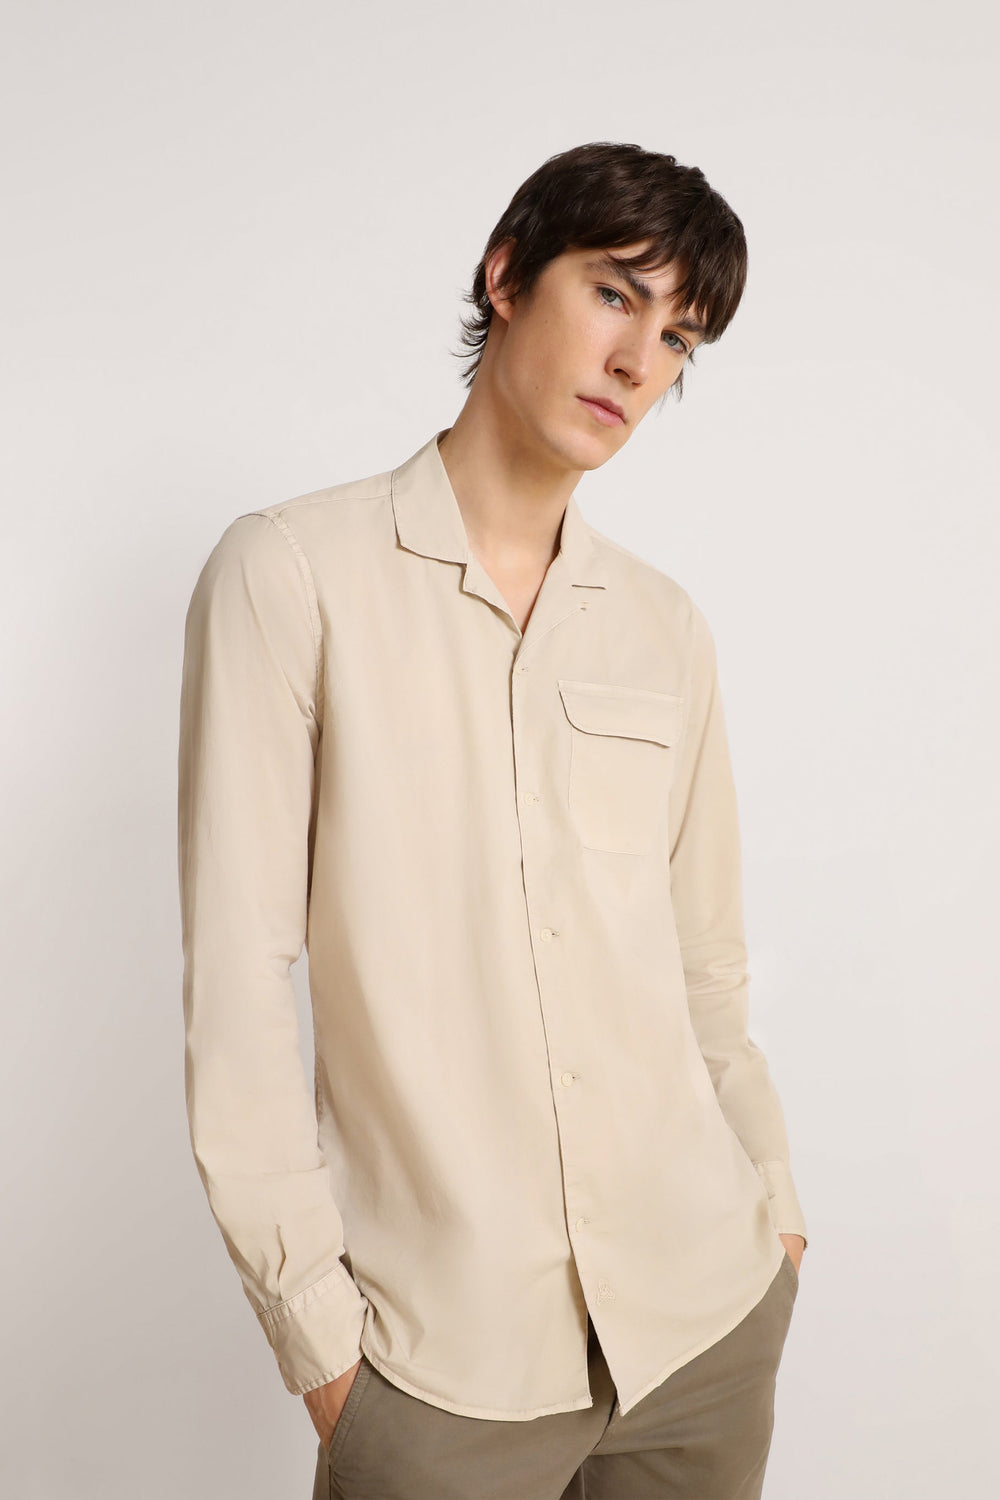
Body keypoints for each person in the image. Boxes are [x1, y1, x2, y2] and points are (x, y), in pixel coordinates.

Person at [177, 140, 809, 1500]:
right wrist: (321, 1342)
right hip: (442, 1366)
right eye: (616, 294)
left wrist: (775, 1204)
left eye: (678, 336)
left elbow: (704, 965)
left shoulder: (664, 628)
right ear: (508, 274)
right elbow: (238, 982)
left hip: (701, 1325)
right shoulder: (291, 577)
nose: (638, 361)